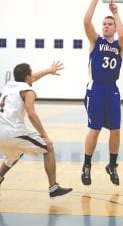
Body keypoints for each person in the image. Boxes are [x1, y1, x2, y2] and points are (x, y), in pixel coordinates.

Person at [0, 62, 73, 198]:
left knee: (14, 154)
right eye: (31, 74)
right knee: (48, 147)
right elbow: (31, 114)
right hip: (13, 132)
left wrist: (49, 70)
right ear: (27, 77)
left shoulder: (9, 85)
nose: (33, 76)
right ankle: (53, 187)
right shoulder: (28, 91)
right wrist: (45, 135)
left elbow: (32, 78)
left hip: (0, 132)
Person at [81, 0, 123, 186]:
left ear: (115, 28)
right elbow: (85, 21)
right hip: (96, 89)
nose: (107, 26)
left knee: (116, 130)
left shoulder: (120, 46)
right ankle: (87, 165)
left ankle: (112, 165)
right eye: (105, 23)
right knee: (95, 129)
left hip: (112, 90)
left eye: (110, 24)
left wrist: (116, 13)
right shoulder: (96, 41)